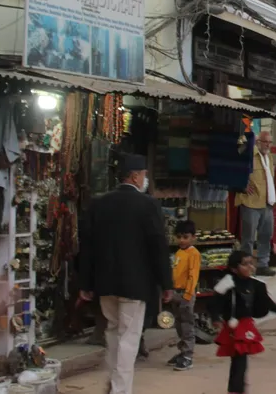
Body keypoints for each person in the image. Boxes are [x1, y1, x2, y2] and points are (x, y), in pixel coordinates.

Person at [78, 153, 172, 394]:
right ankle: (120, 390)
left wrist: (85, 283)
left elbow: (87, 246)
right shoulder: (148, 204)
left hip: (105, 284)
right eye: (144, 175)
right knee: (128, 338)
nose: (145, 179)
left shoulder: (98, 203)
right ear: (135, 176)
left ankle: (113, 383)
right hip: (134, 285)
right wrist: (166, 283)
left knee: (112, 333)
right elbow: (158, 246)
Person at [211, 250, 276, 394]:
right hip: (232, 326)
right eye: (245, 264)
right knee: (238, 358)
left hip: (245, 326)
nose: (250, 267)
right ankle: (237, 388)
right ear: (234, 268)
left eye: (251, 263)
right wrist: (216, 318)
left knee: (240, 358)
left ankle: (237, 388)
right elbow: (215, 304)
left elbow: (267, 303)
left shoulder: (257, 285)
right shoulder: (226, 284)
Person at [235, 130, 276, 276]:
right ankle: (246, 266)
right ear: (258, 142)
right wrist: (242, 184)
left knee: (266, 235)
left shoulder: (269, 157)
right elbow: (236, 170)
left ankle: (262, 265)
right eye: (265, 142)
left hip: (267, 202)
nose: (268, 145)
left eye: (270, 142)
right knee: (249, 238)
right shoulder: (248, 154)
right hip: (251, 202)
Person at [167, 220, 200, 371]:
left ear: (193, 237)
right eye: (179, 237)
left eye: (185, 237)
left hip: (186, 294)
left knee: (187, 325)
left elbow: (193, 276)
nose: (182, 240)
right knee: (179, 324)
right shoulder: (179, 252)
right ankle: (182, 351)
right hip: (176, 292)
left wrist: (187, 295)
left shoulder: (194, 254)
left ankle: (188, 355)